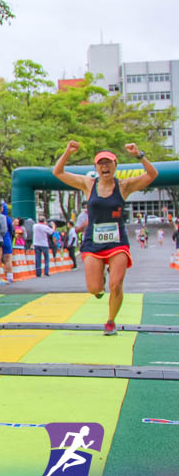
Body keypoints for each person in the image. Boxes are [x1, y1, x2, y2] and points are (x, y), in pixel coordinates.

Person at [52, 141, 157, 335]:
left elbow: (152, 175)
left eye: (108, 163)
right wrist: (67, 152)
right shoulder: (88, 183)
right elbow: (58, 173)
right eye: (101, 163)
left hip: (117, 241)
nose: (105, 167)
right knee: (94, 289)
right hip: (93, 241)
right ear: (96, 168)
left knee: (116, 284)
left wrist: (139, 155)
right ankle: (99, 279)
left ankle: (110, 321)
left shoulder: (124, 186)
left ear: (115, 166)